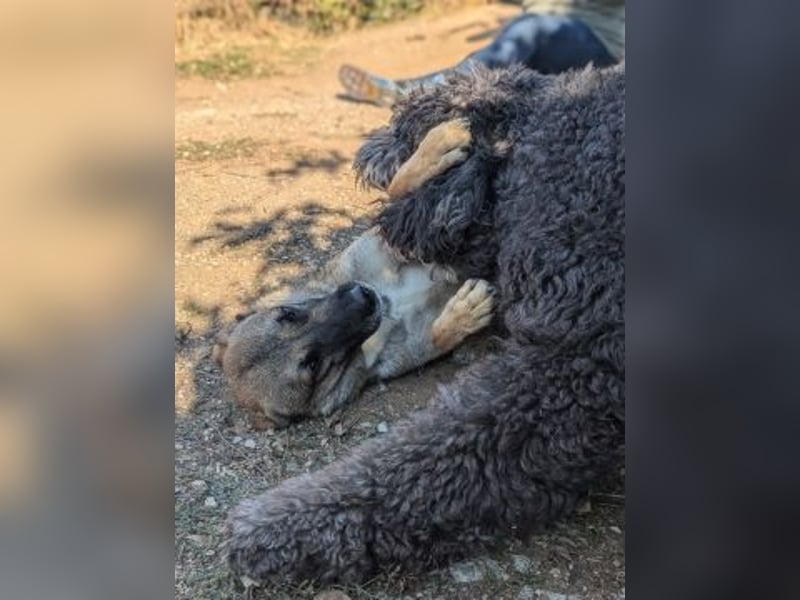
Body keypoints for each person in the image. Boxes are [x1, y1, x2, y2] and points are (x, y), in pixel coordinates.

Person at [338, 0, 624, 106]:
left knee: (528, 31)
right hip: (542, 47)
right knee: (500, 52)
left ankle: (435, 92)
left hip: (597, 45)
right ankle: (407, 90)